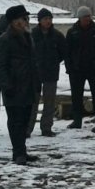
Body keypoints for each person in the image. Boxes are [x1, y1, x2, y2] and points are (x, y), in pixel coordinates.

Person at [0, 5, 40, 165]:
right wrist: (7, 86)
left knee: (25, 120)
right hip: (14, 88)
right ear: (14, 22)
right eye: (23, 19)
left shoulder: (28, 36)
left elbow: (32, 62)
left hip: (28, 86)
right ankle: (18, 152)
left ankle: (21, 151)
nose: (26, 22)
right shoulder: (5, 39)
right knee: (16, 122)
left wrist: (36, 81)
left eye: (26, 19)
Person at [65, 6, 95, 131]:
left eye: (89, 16)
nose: (87, 19)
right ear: (80, 18)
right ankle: (77, 120)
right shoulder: (72, 32)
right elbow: (68, 51)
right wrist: (69, 67)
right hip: (77, 69)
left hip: (94, 69)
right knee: (76, 96)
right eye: (85, 17)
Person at [29, 8, 67, 138]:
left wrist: (54, 61)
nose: (48, 21)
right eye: (45, 19)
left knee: (49, 102)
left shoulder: (57, 35)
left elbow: (63, 52)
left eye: (50, 19)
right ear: (39, 21)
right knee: (33, 102)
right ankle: (28, 128)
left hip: (51, 72)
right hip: (35, 73)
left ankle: (46, 127)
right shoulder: (32, 35)